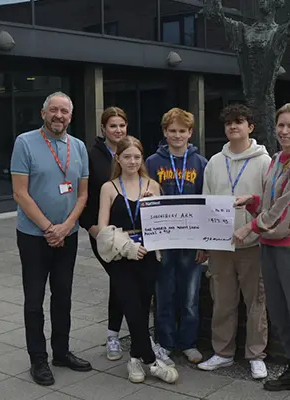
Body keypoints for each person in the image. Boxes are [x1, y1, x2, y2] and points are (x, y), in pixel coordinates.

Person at [233, 103, 290, 400]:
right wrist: (252, 200)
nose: (284, 131)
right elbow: (274, 203)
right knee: (280, 314)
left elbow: (289, 211)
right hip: (271, 248)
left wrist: (249, 228)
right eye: (281, 125)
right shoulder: (277, 160)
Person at [10, 91, 92, 386]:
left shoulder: (79, 146)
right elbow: (20, 192)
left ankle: (61, 351)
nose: (59, 116)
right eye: (54, 110)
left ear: (71, 116)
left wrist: (66, 225)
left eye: (65, 111)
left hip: (67, 236)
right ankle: (38, 359)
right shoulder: (25, 142)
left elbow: (83, 193)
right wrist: (49, 228)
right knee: (34, 299)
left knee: (63, 296)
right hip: (34, 236)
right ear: (43, 112)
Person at [95, 136, 179, 384]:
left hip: (148, 256)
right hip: (121, 258)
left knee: (142, 309)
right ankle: (152, 362)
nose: (132, 161)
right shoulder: (109, 188)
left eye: (136, 157)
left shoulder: (152, 184)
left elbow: (162, 224)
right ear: (117, 158)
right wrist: (127, 246)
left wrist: (152, 203)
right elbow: (102, 229)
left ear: (142, 159)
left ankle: (134, 359)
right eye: (127, 156)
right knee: (130, 306)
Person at [198, 104, 271, 379]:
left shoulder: (264, 162)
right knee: (223, 301)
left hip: (252, 244)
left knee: (256, 302)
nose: (233, 127)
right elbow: (206, 200)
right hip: (220, 245)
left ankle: (256, 355)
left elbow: (270, 203)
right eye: (228, 123)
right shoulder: (215, 161)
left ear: (250, 127)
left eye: (239, 122)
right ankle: (223, 353)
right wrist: (204, 242)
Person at [145, 107, 208, 365]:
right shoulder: (152, 163)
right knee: (164, 295)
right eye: (172, 131)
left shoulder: (201, 163)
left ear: (190, 133)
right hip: (163, 242)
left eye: (182, 131)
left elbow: (207, 202)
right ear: (164, 132)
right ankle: (165, 342)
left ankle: (188, 343)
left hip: (191, 242)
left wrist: (206, 242)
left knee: (191, 297)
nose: (177, 135)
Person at [79, 106, 129, 361]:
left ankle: (130, 332)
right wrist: (93, 228)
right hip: (102, 232)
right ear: (103, 129)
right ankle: (113, 336)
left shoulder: (132, 151)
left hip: (131, 232)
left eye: (121, 125)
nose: (118, 130)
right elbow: (84, 196)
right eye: (113, 126)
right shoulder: (91, 156)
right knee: (120, 280)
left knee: (126, 282)